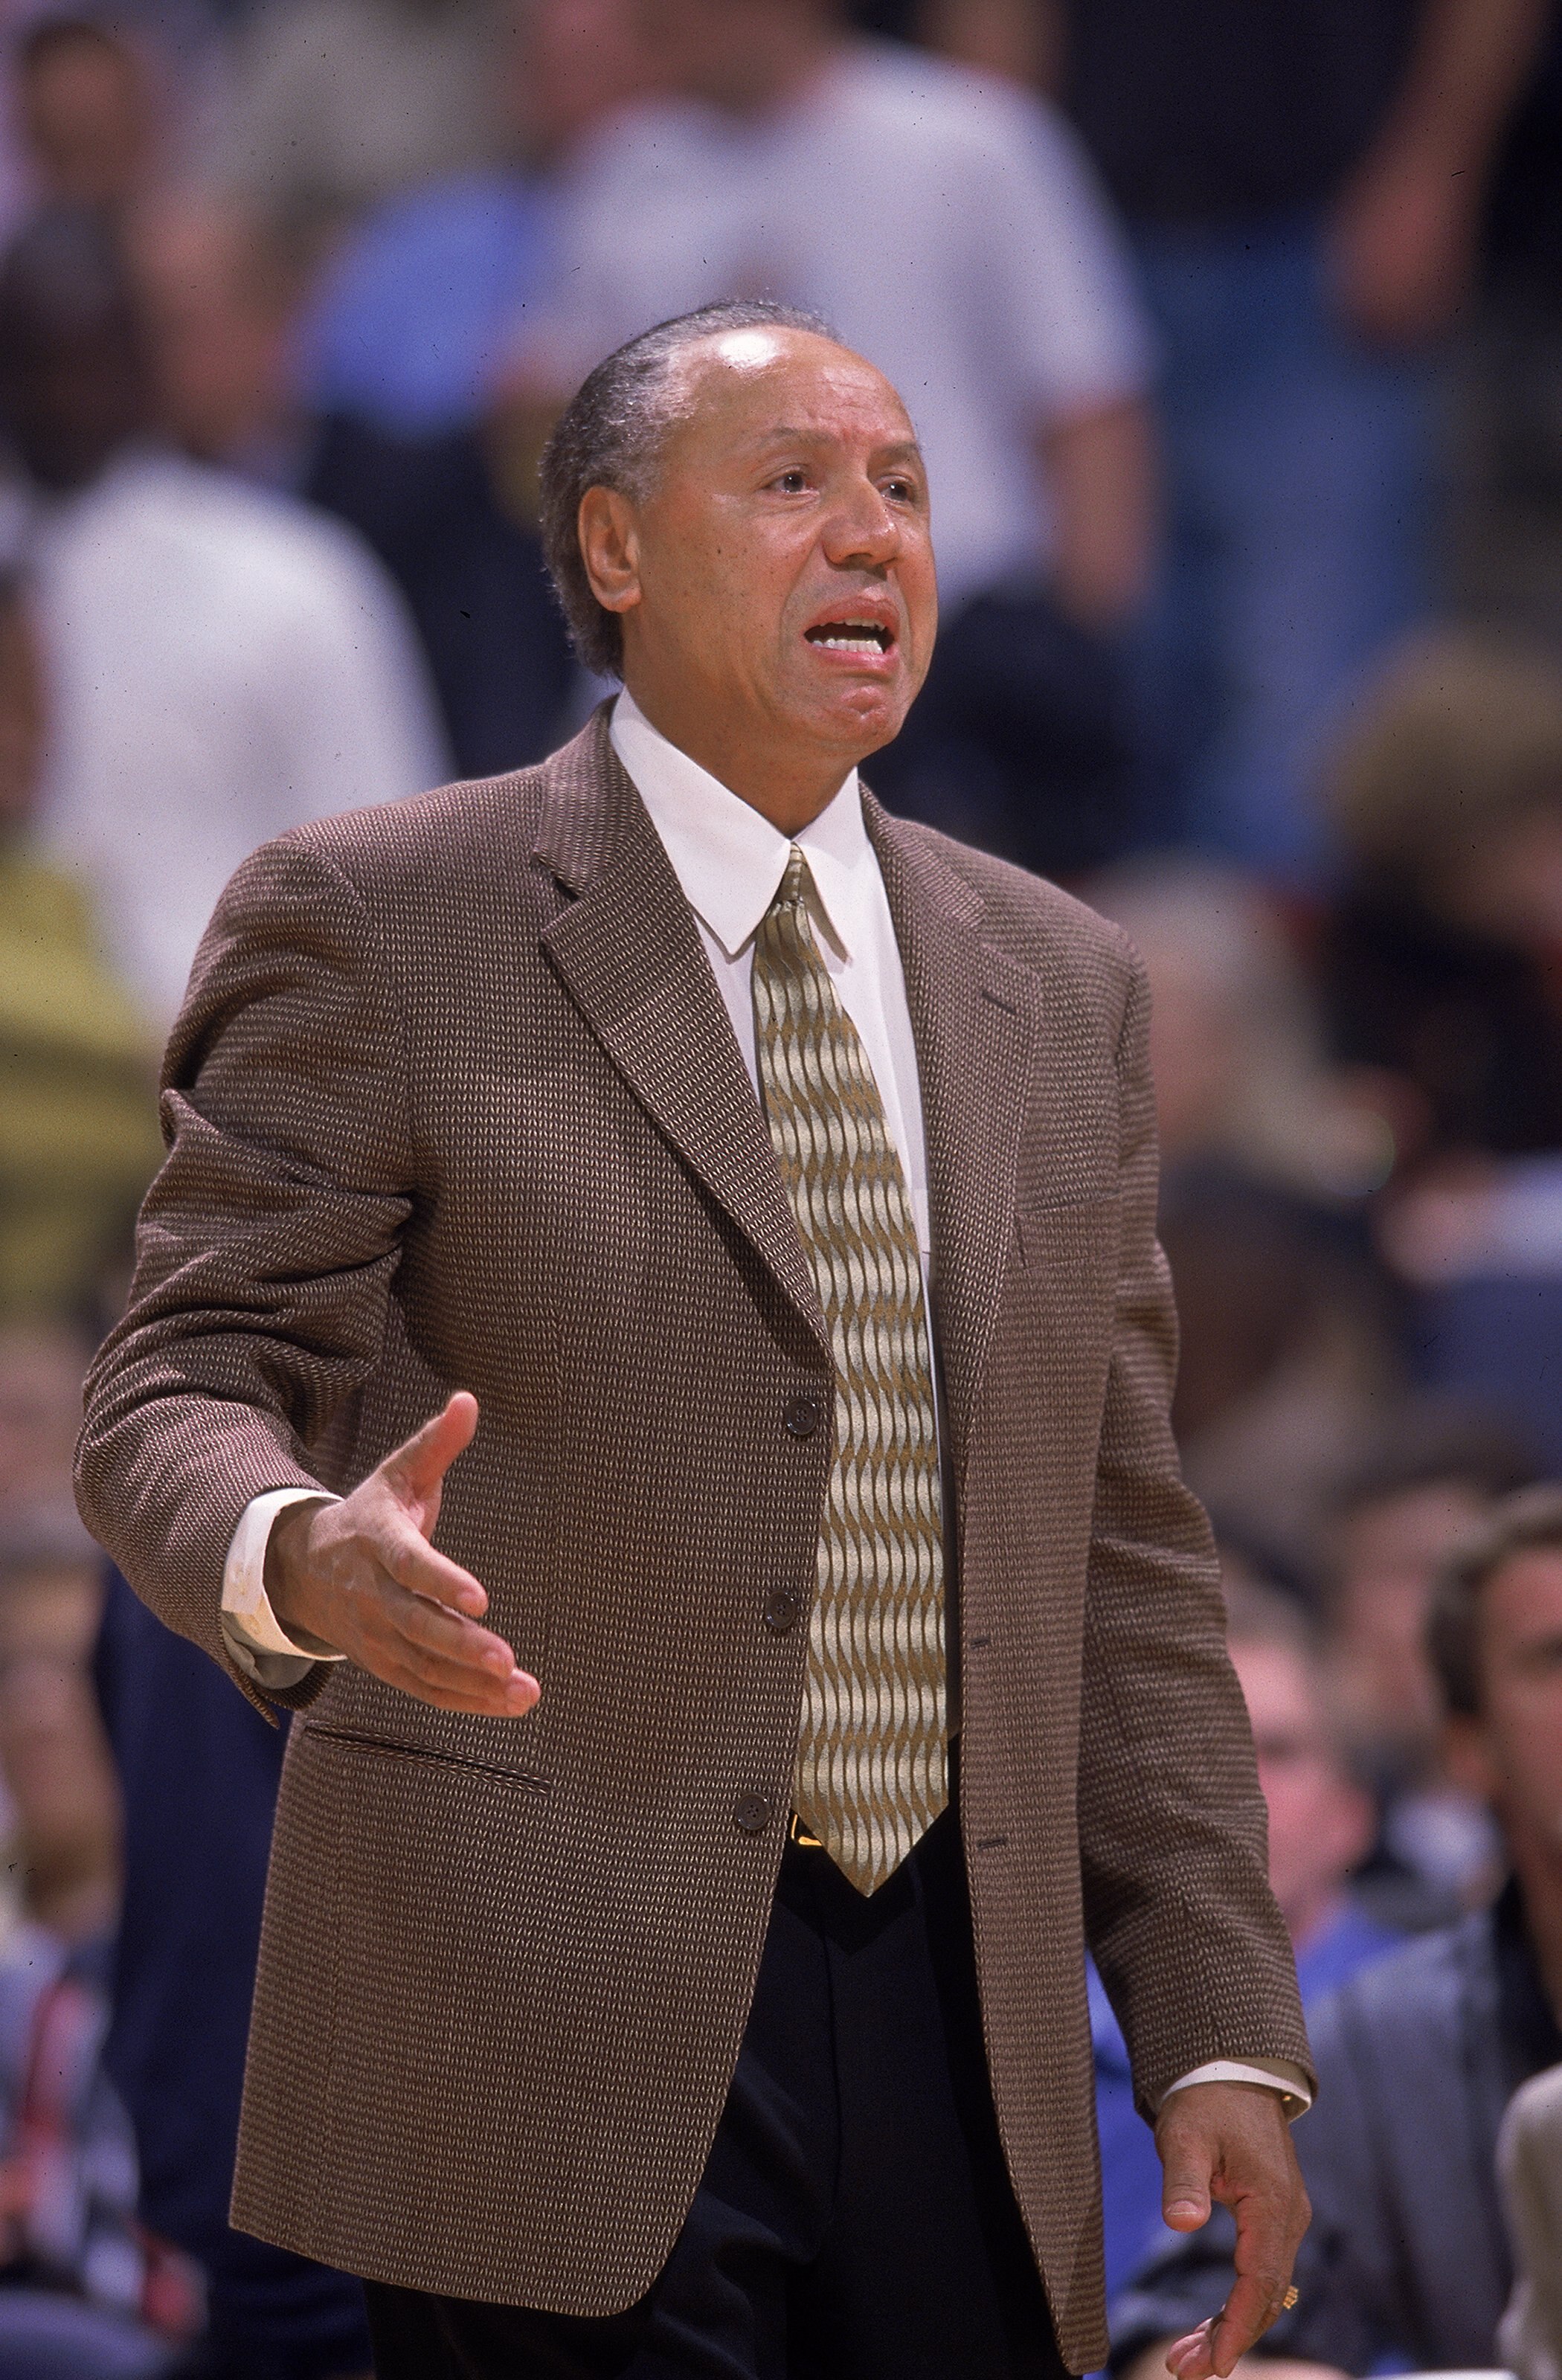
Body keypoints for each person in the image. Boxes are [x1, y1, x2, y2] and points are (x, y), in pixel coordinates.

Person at [75, 300, 1311, 2379]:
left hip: (961, 1998)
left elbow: (1117, 1544)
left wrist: (1216, 2023)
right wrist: (296, 1548)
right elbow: (176, 1385)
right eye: (794, 481)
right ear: (616, 545)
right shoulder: (381, 917)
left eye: (904, 488)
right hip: (534, 1986)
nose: (873, 534)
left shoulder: (1061, 978)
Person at [523, 0, 1157, 875]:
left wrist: (1083, 669)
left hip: (948, 670)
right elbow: (553, 451)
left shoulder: (970, 139)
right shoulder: (621, 171)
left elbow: (1087, 408)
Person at [1040, 0, 1551, 872]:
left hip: (1329, 230)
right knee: (1109, 692)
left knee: (1309, 720)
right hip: (1094, 224)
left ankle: (1298, 956)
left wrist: (1436, 167)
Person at [1110, 1482, 1562, 2377]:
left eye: (1279, 1750)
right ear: (1468, 1748)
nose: (1243, 1788)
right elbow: (1181, 2347)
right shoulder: (1372, 2046)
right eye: (1556, 1657)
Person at [0, 203, 446, 1031]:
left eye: (87, 359)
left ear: (141, 359)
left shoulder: (292, 582)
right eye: (31, 362)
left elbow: (400, 894)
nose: (59, 395)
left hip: (231, 1069)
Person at [1093, 1583, 1400, 2300]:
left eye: (1278, 1752)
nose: (1232, 1792)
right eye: (1197, 1749)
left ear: (1352, 1814)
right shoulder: (1015, 2031)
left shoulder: (1431, 2041)